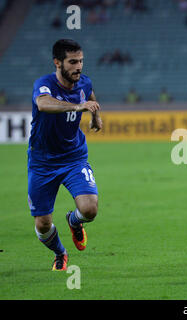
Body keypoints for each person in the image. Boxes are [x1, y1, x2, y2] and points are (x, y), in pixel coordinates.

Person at [28, 39, 103, 271]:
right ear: (57, 63)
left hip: (74, 157)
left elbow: (89, 94)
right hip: (42, 162)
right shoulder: (45, 84)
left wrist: (95, 115)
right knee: (42, 224)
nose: (78, 67)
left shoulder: (84, 82)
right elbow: (43, 104)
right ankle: (60, 252)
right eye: (72, 62)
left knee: (90, 209)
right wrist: (76, 107)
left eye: (80, 61)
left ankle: (74, 221)